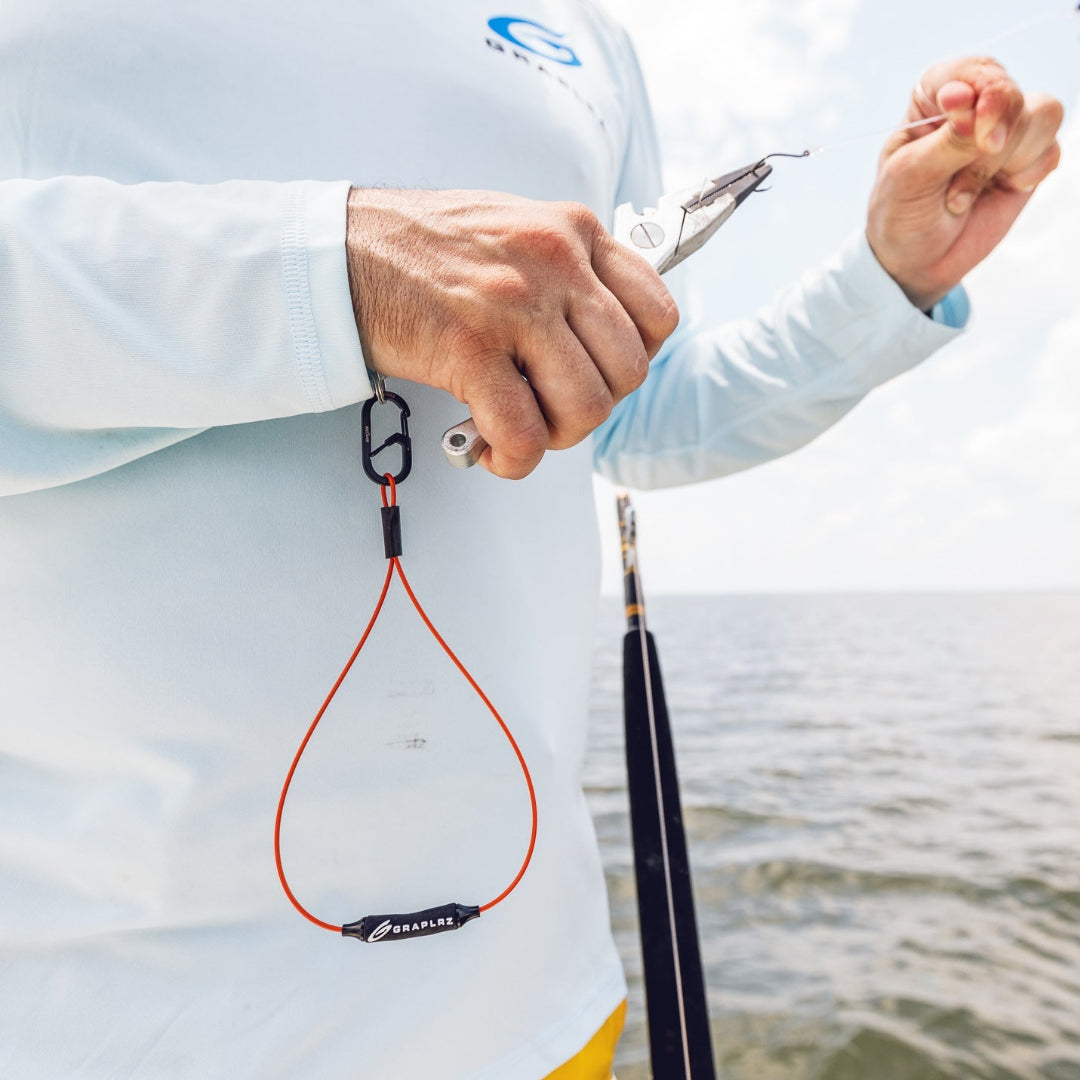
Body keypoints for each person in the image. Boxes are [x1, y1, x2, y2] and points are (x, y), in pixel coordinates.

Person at [0, 3, 1062, 1078]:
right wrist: (332, 271)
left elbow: (641, 413)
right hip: (98, 1029)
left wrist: (894, 275)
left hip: (538, 1015)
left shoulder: (590, 36)